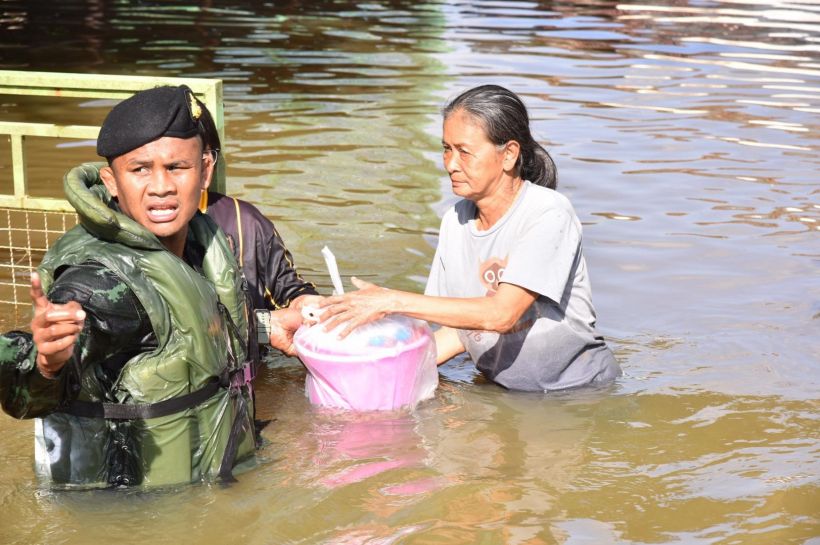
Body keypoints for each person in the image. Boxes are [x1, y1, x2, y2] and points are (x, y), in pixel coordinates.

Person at [0, 85, 257, 487]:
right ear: (112, 181)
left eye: (177, 167)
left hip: (208, 483)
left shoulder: (197, 241)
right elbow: (34, 374)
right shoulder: (101, 280)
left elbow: (193, 330)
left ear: (205, 170)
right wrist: (46, 363)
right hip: (131, 510)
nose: (161, 187)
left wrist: (275, 327)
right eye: (140, 170)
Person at [319, 84, 621, 392]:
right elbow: (457, 330)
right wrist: (374, 366)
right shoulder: (456, 220)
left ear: (509, 154)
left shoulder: (548, 212)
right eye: (447, 149)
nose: (450, 164)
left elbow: (502, 315)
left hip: (579, 394)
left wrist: (390, 301)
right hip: (505, 393)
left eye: (464, 151)